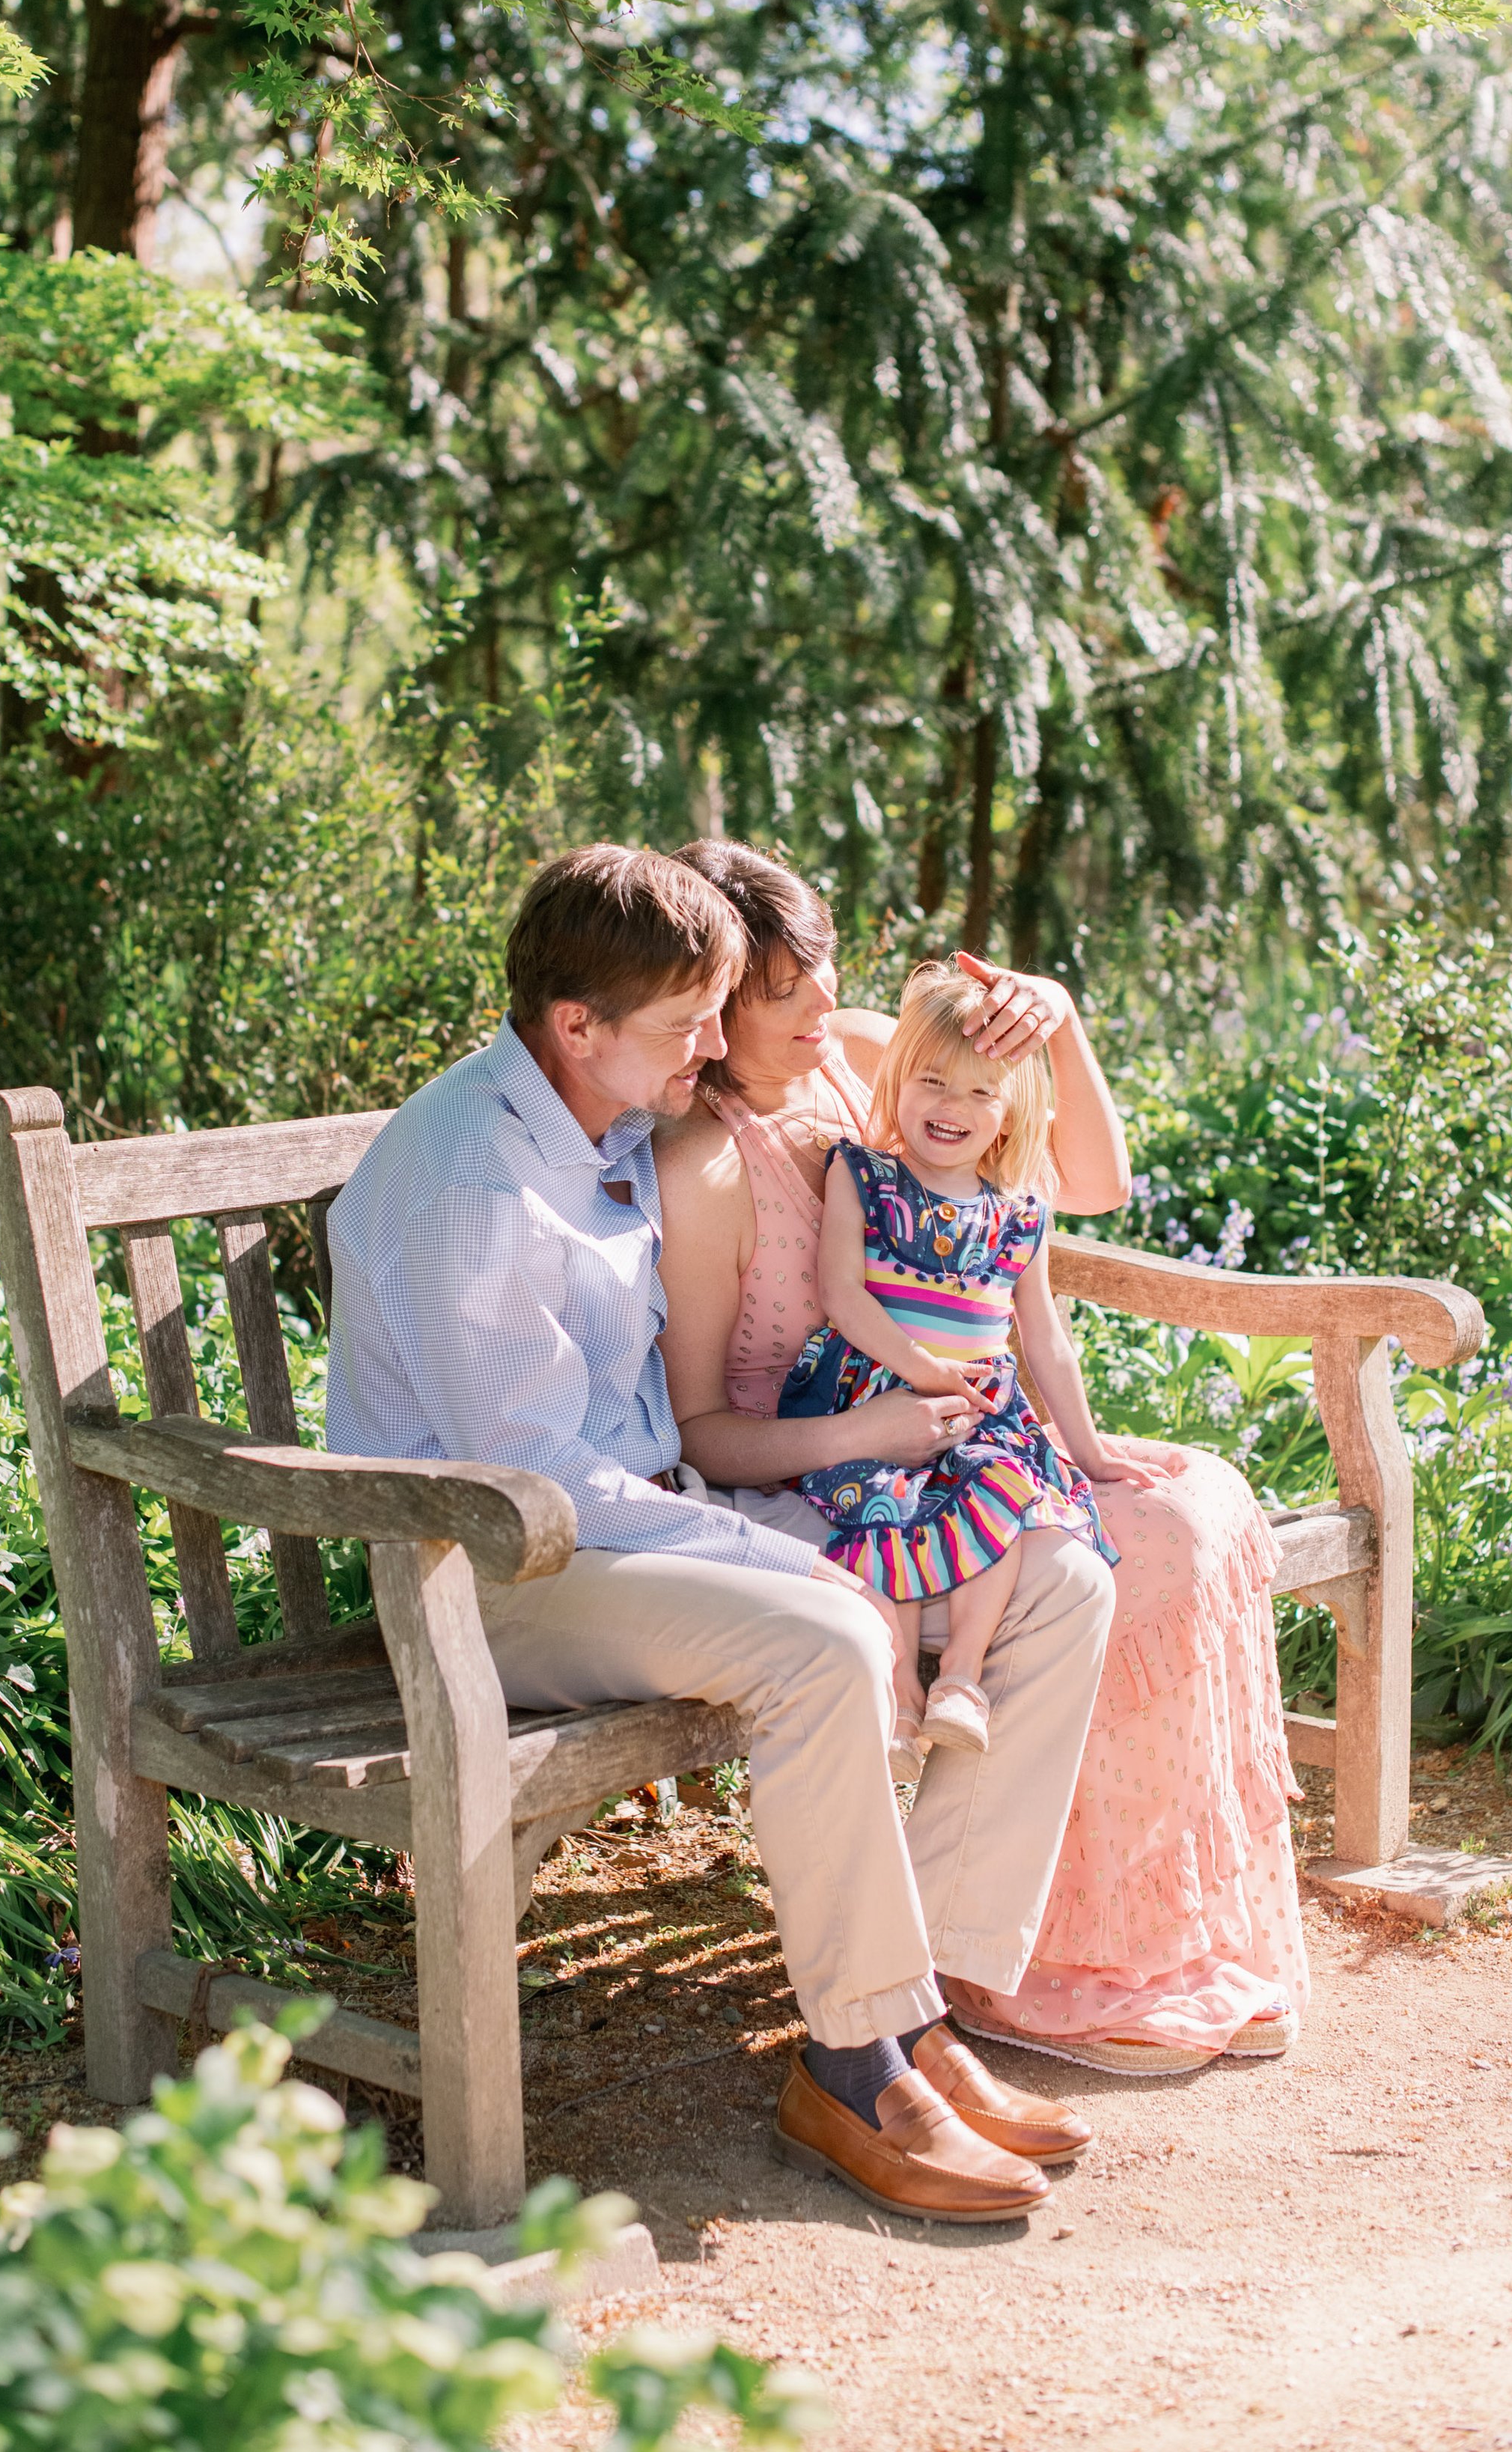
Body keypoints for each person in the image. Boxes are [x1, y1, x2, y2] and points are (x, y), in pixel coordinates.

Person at [325, 843, 1115, 2221]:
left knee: (1051, 1576)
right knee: (821, 1633)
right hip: (488, 1570)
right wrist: (773, 1551)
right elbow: (529, 1482)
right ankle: (854, 2068)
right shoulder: (474, 1181)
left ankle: (921, 2011)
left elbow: (975, 1125)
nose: (720, 1043)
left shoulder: (604, 1105)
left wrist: (1028, 1014)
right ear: (579, 1026)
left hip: (636, 1526)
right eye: (692, 1021)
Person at [656, 842, 1308, 2073]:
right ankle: (1043, 1963)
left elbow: (1090, 1185)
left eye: (825, 974)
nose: (822, 1007)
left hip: (968, 1431)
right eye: (781, 994)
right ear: (708, 1006)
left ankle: (1106, 1940)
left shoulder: (858, 1055)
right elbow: (701, 1435)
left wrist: (1056, 1025)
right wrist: (872, 1430)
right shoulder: (704, 1164)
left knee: (1201, 1502)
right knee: (1125, 1551)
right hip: (834, 1463)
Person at [781, 957, 1142, 1774]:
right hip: (879, 1387)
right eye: (934, 1083)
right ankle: (901, 1694)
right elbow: (843, 1297)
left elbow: (1043, 1336)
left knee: (1006, 1497)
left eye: (982, 1092)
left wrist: (1086, 1449)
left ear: (1012, 1112)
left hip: (980, 1408)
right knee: (883, 1506)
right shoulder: (861, 1174)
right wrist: (922, 1370)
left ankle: (962, 1680)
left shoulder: (1018, 1208)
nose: (953, 1108)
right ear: (898, 1080)